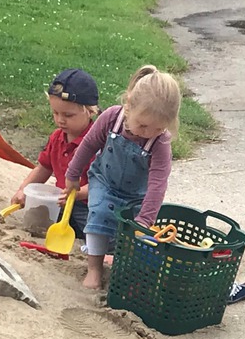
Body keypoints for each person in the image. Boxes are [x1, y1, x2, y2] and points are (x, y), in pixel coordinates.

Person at [65, 65, 181, 289]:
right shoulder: (111, 118)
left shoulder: (161, 142)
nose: (148, 133)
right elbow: (88, 145)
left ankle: (121, 266)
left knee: (130, 232)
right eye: (144, 125)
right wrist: (73, 174)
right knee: (98, 216)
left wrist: (145, 220)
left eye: (158, 128)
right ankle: (94, 268)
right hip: (105, 180)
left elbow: (158, 184)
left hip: (137, 193)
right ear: (129, 105)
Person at [11, 69, 100, 239]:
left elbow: (103, 183)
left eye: (68, 115)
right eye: (55, 113)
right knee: (37, 218)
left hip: (89, 205)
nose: (60, 120)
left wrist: (77, 194)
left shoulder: (97, 143)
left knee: (95, 235)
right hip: (61, 199)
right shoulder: (57, 137)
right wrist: (23, 190)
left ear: (90, 111)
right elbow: (44, 167)